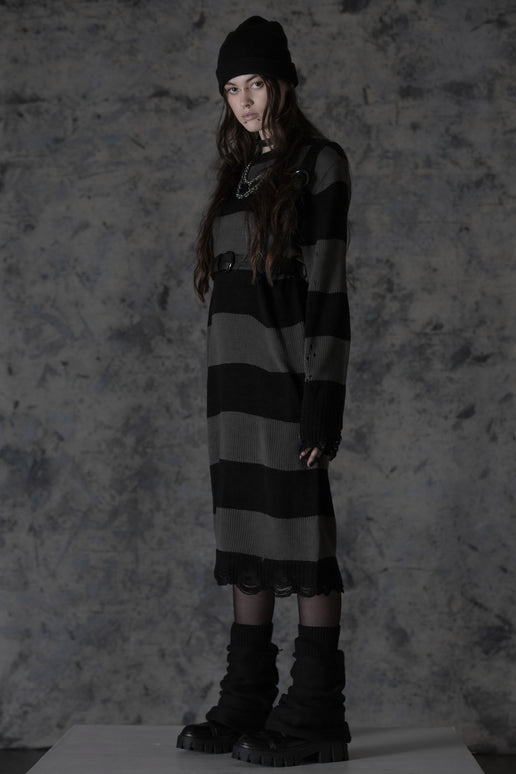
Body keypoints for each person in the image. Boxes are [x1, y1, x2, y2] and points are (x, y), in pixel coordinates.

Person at [177, 15, 352, 767]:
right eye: (231, 89)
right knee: (246, 537)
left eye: (255, 84)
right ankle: (246, 698)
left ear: (283, 83)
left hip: (287, 381)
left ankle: (316, 713)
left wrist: (322, 399)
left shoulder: (321, 164)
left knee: (302, 539)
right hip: (231, 390)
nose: (244, 101)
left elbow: (328, 288)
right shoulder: (239, 173)